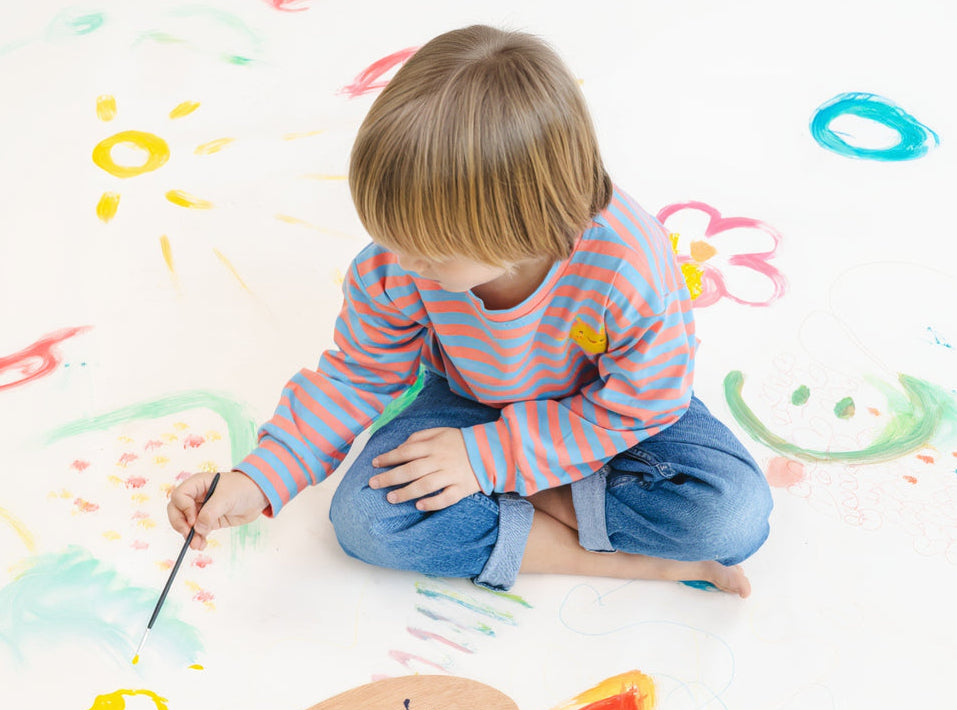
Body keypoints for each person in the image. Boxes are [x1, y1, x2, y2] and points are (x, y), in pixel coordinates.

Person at [168, 24, 772, 597]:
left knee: (731, 515)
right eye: (390, 235)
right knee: (364, 519)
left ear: (519, 227)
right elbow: (358, 373)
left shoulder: (629, 267)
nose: (401, 259)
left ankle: (537, 491)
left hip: (606, 414)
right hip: (469, 403)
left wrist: (492, 461)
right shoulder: (396, 263)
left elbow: (643, 403)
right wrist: (258, 477)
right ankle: (628, 558)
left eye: (429, 252)